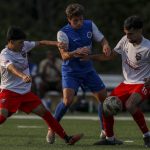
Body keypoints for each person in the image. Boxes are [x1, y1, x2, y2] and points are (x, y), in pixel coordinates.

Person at [0, 26, 83, 145]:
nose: (23, 45)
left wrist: (56, 43)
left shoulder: (24, 46)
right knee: (2, 118)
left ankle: (67, 139)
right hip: (9, 92)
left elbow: (41, 43)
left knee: (45, 113)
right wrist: (23, 76)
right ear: (11, 42)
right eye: (20, 42)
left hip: (25, 93)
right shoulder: (4, 54)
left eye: (23, 42)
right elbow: (11, 68)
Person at [46, 3, 114, 144]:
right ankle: (52, 128)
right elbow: (64, 56)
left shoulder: (89, 25)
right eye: (75, 21)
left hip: (87, 69)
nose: (79, 23)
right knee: (67, 100)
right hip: (71, 71)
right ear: (69, 20)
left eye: (81, 19)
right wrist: (75, 52)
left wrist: (105, 45)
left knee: (103, 98)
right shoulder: (62, 33)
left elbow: (101, 39)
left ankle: (104, 130)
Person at [88, 16, 150, 147]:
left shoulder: (148, 47)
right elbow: (110, 56)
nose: (128, 37)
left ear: (140, 30)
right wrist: (89, 57)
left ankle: (147, 136)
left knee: (130, 105)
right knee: (106, 105)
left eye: (131, 34)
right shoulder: (124, 41)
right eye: (126, 33)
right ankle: (110, 139)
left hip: (143, 83)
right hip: (126, 84)